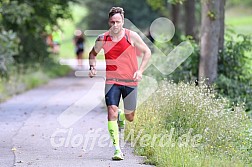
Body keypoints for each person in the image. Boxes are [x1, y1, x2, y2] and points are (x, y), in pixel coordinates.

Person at [88, 7, 151, 160]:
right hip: (112, 81)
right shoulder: (103, 38)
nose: (115, 25)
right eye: (112, 22)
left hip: (130, 81)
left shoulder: (131, 36)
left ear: (123, 22)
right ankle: (117, 150)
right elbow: (92, 53)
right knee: (111, 112)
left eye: (118, 22)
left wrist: (140, 70)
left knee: (130, 117)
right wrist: (92, 67)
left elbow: (147, 52)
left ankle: (122, 115)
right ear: (108, 22)